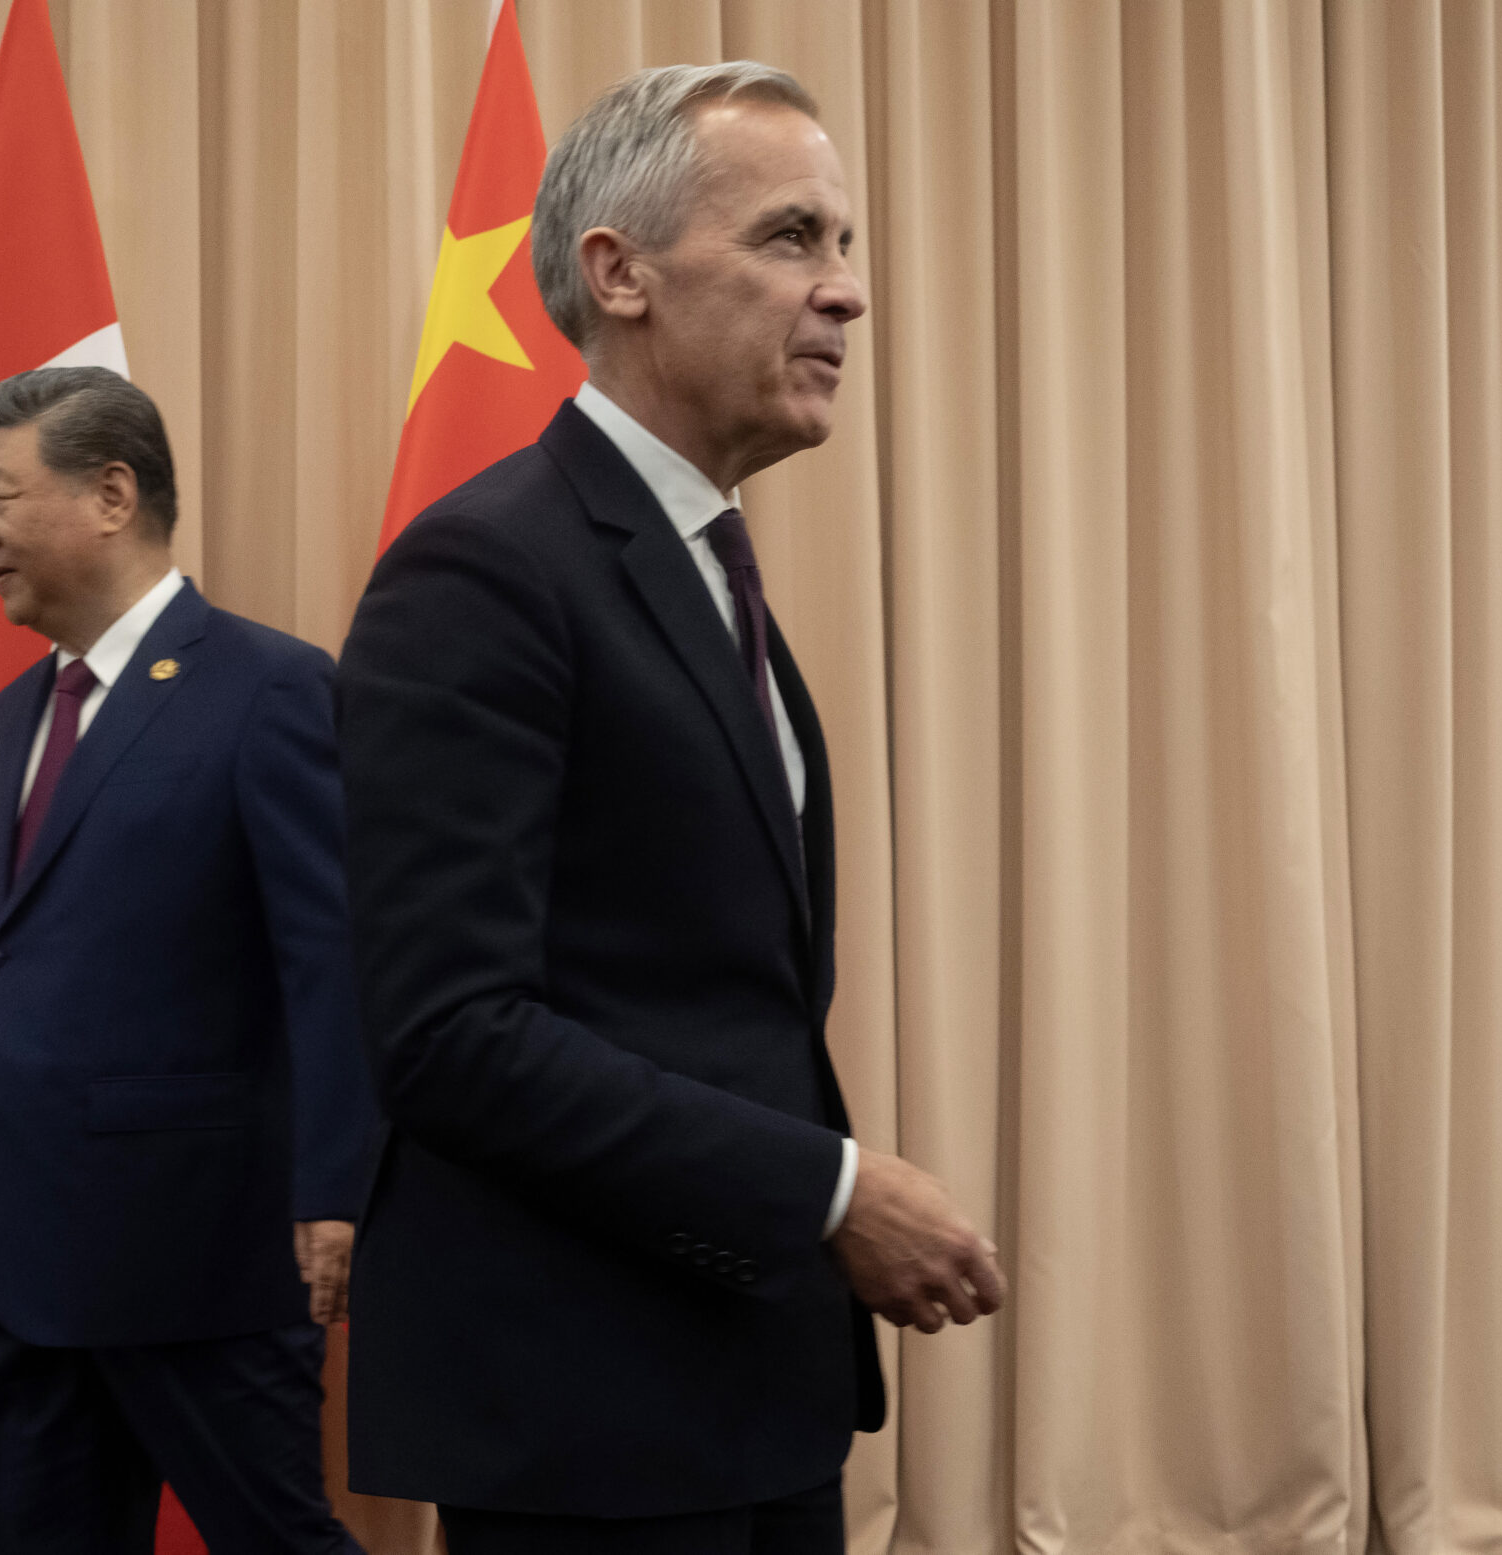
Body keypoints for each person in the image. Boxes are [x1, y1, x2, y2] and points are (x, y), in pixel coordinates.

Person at [335, 64, 1006, 1553]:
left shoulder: (702, 567)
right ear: (618, 273)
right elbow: (453, 1033)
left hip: (745, 1388)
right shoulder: (487, 573)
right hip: (586, 1422)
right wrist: (831, 1188)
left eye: (843, 242)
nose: (846, 293)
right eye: (791, 237)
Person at [0, 366, 373, 1555]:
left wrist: (336, 1189)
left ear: (112, 494)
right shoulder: (2, 722)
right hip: (24, 1259)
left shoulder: (268, 690)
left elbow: (330, 959)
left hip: (198, 1254)